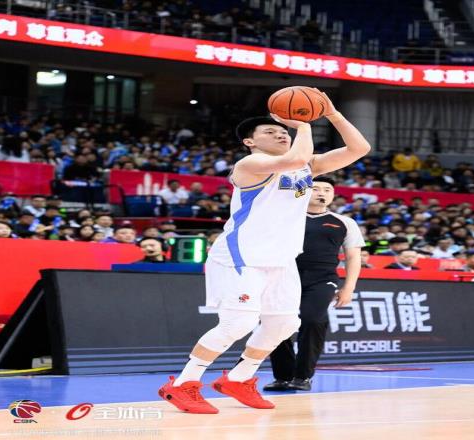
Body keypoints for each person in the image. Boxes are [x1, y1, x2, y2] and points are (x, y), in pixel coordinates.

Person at [158, 89, 371, 414]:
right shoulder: (249, 164)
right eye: (271, 131)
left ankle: (239, 379)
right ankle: (182, 384)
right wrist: (304, 123)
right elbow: (294, 159)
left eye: (283, 130)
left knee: (284, 325)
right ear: (250, 141)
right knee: (237, 324)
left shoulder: (305, 167)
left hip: (281, 259)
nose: (281, 133)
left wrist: (331, 113)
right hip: (242, 256)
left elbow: (360, 149)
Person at [264, 177, 365, 392]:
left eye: (327, 190)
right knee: (277, 322)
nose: (322, 193)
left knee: (312, 319)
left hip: (322, 279)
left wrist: (348, 288)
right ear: (303, 191)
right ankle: (283, 376)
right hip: (284, 276)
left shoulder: (345, 222)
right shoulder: (286, 216)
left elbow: (353, 257)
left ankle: (303, 376)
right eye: (316, 188)